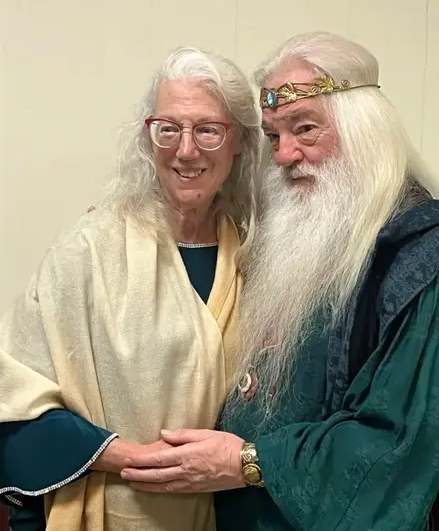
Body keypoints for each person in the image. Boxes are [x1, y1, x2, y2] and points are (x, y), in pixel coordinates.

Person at [117, 32, 439, 531]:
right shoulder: (288, 231)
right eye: (273, 137)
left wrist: (247, 461)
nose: (285, 155)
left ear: (365, 131)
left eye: (305, 129)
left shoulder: (419, 259)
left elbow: (397, 448)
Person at [0, 47, 261, 531]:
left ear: (240, 140)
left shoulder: (259, 259)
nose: (186, 150)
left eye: (208, 129)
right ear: (148, 136)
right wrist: (130, 458)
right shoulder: (89, 249)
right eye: (168, 128)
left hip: (230, 516)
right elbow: (14, 397)